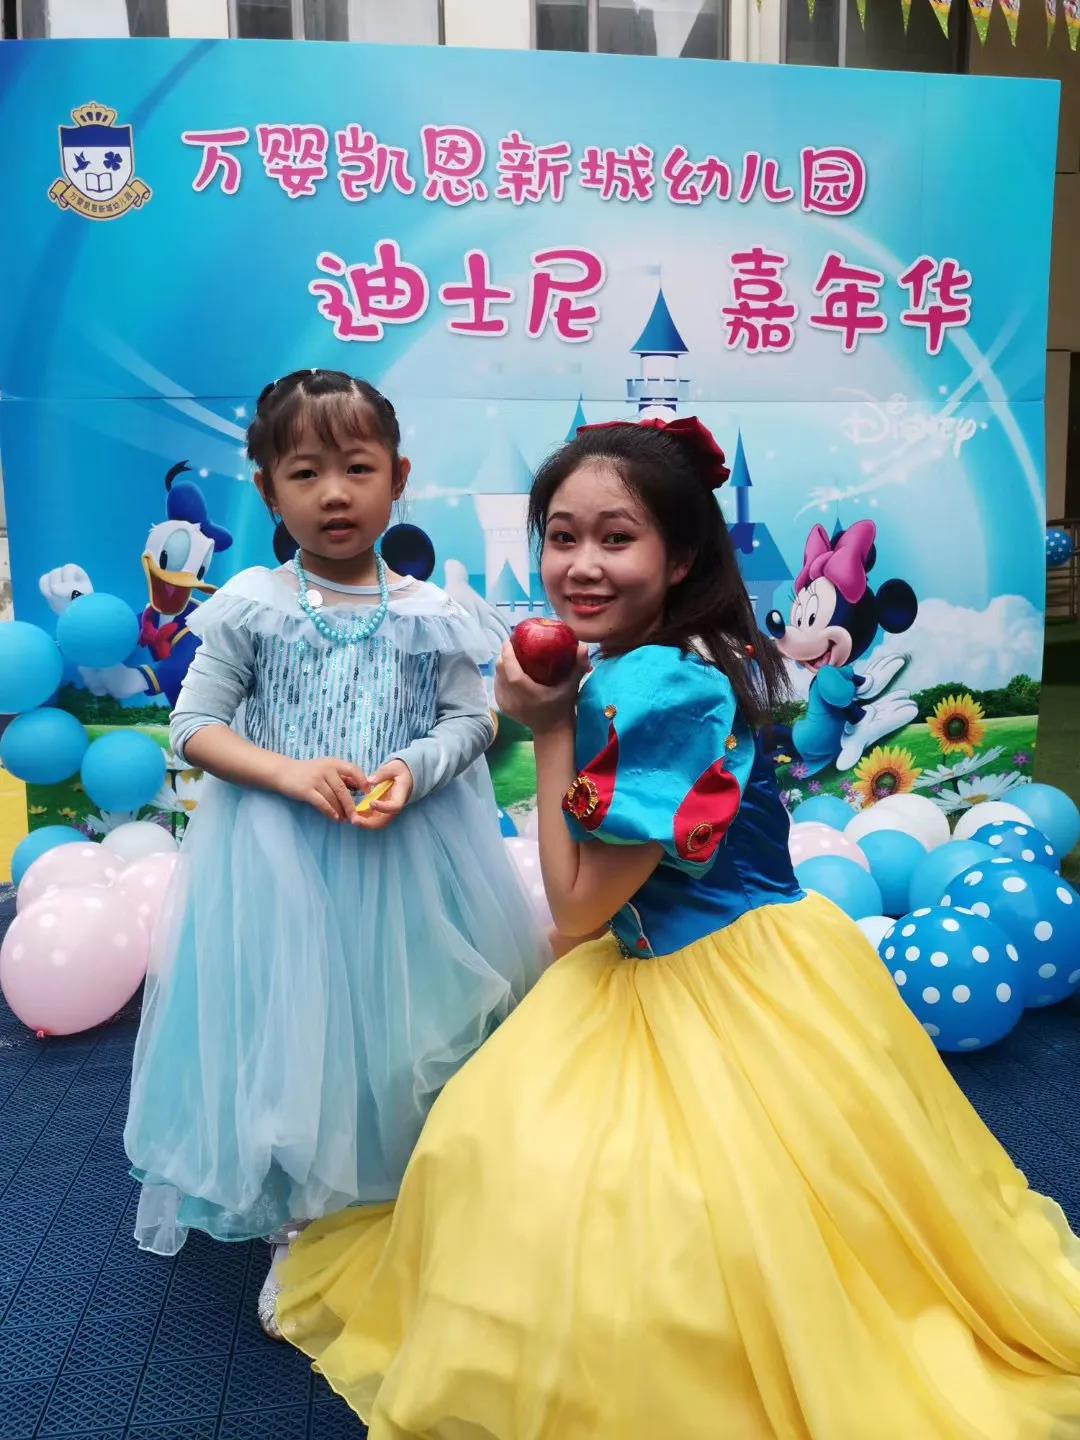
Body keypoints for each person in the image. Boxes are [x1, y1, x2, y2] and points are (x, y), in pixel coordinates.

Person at [276, 416, 1080, 1436]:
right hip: (707, 959)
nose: (581, 565)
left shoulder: (660, 689)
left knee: (659, 1205)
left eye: (617, 538)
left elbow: (577, 908)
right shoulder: (655, 661)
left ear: (682, 554)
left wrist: (549, 725)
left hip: (721, 978)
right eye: (562, 537)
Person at [124, 369, 547, 1337]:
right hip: (278, 867)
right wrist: (284, 771)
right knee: (293, 1042)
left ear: (399, 478)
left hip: (411, 861)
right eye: (305, 473)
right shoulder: (252, 604)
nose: (334, 494)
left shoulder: (433, 610)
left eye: (357, 468)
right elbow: (194, 725)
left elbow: (472, 722)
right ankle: (304, 1227)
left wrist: (411, 769)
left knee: (406, 1035)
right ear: (268, 491)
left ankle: (411, 1202)